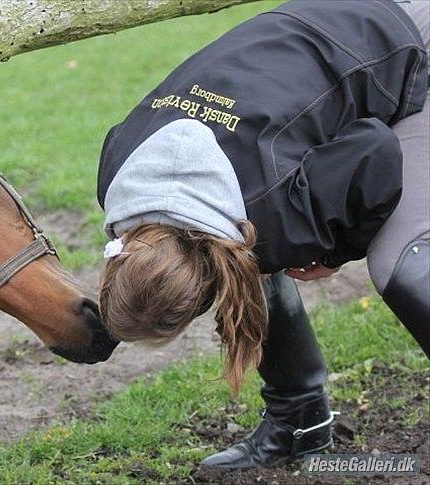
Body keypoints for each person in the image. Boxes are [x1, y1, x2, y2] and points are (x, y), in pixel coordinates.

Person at [97, 0, 428, 469]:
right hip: (337, 15)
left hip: (411, 48)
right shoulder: (118, 176)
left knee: (404, 262)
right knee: (248, 249)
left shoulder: (274, 218)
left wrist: (334, 249)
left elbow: (375, 149)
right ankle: (301, 423)